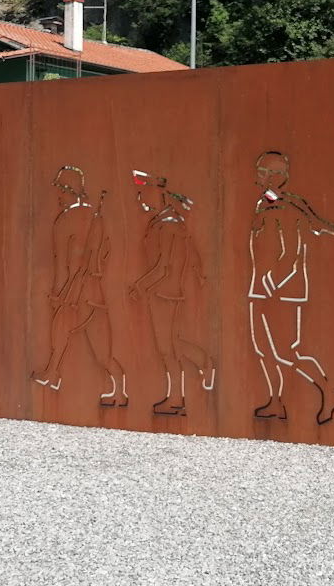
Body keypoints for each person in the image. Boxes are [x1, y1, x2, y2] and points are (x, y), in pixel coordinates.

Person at [247, 150, 334, 425]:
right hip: (260, 288)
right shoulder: (264, 204)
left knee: (286, 352)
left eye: (263, 170)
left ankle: (329, 391)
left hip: (282, 292)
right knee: (263, 350)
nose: (258, 174)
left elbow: (290, 253)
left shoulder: (286, 208)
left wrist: (270, 282)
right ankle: (276, 402)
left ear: (277, 177)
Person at [32, 166, 127, 406]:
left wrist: (57, 293)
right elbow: (105, 253)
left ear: (69, 191)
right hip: (96, 293)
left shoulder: (66, 220)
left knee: (59, 330)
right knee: (102, 354)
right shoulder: (98, 219)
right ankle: (119, 391)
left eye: (61, 191)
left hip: (76, 292)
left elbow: (62, 264)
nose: (58, 196)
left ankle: (52, 375)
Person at [129, 170, 215, 416]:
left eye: (143, 195)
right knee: (171, 344)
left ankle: (177, 397)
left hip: (164, 294)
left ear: (156, 195)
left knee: (166, 349)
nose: (140, 201)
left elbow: (163, 267)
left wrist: (140, 286)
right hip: (165, 292)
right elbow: (193, 253)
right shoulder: (170, 221)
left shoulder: (168, 226)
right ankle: (203, 363)